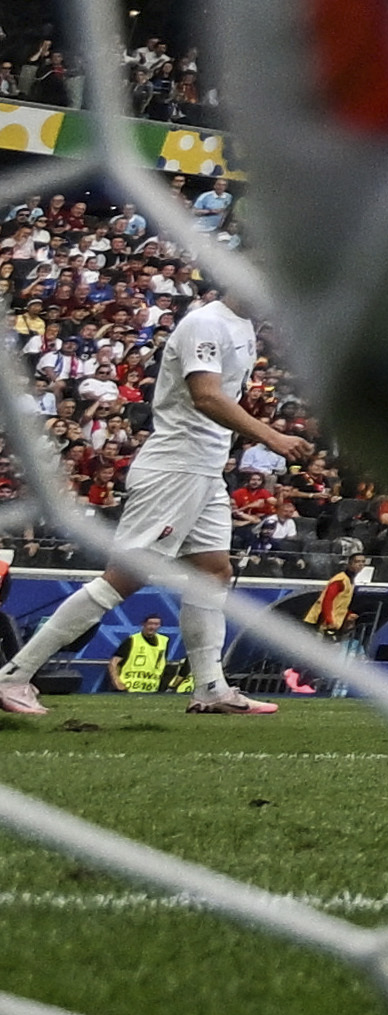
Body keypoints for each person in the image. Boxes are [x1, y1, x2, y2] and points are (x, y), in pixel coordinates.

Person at [0, 276, 286, 720]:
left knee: (214, 571)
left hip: (205, 468)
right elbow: (206, 396)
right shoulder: (204, 324)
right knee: (128, 575)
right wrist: (272, 437)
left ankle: (210, 688)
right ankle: (14, 675)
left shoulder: (243, 328)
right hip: (175, 465)